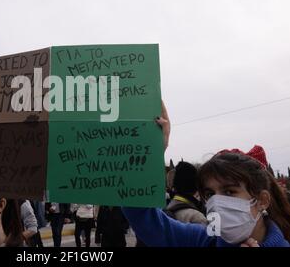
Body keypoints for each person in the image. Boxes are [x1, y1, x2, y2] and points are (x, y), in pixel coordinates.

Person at [123, 103, 290, 247]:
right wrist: (151, 154)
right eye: (210, 194)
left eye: (229, 191)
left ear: (262, 200)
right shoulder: (201, 240)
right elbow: (143, 217)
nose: (216, 203)